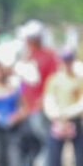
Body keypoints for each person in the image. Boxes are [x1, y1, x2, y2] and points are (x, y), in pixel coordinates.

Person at [16, 20, 59, 165]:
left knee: (45, 139)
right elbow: (23, 83)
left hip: (39, 106)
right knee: (29, 142)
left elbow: (52, 80)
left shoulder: (49, 55)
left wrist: (43, 100)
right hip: (26, 107)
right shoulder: (27, 56)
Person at [42, 48, 83, 166]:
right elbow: (48, 100)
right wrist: (57, 115)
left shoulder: (78, 80)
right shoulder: (53, 79)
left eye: (69, 60)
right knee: (54, 156)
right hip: (57, 121)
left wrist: (68, 113)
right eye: (65, 60)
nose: (67, 63)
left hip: (74, 120)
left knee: (80, 155)